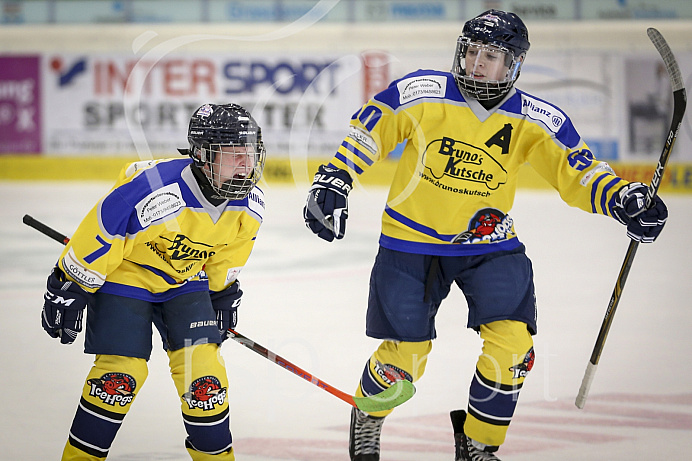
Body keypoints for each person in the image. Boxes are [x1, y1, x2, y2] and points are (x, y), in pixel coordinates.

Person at [303, 9, 668, 461]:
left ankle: (478, 444)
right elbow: (370, 130)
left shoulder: (537, 118)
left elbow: (579, 171)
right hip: (409, 241)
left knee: (514, 346)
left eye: (491, 55)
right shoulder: (423, 92)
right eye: (472, 51)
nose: (477, 62)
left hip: (488, 242)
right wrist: (335, 177)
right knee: (405, 358)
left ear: (514, 64)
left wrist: (622, 198)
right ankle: (370, 417)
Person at [41, 103, 266, 461]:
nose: (245, 164)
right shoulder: (155, 191)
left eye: (250, 153)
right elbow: (102, 228)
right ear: (203, 158)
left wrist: (223, 292)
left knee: (204, 381)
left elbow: (228, 254)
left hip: (185, 281)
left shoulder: (249, 204)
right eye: (232, 155)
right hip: (124, 275)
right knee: (118, 378)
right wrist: (70, 283)